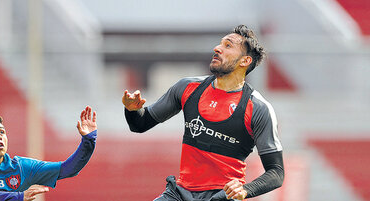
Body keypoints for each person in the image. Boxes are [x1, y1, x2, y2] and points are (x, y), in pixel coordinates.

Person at [122, 25, 284, 201]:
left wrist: (245, 190)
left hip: (222, 197)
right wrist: (132, 109)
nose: (217, 48)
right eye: (220, 43)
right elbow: (140, 124)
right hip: (179, 193)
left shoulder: (257, 108)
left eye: (228, 45)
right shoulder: (187, 88)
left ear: (244, 61)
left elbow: (276, 172)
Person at [0, 106, 97, 201]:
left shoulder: (21, 167)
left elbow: (68, 169)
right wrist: (19, 197)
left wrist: (88, 141)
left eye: (2, 132)